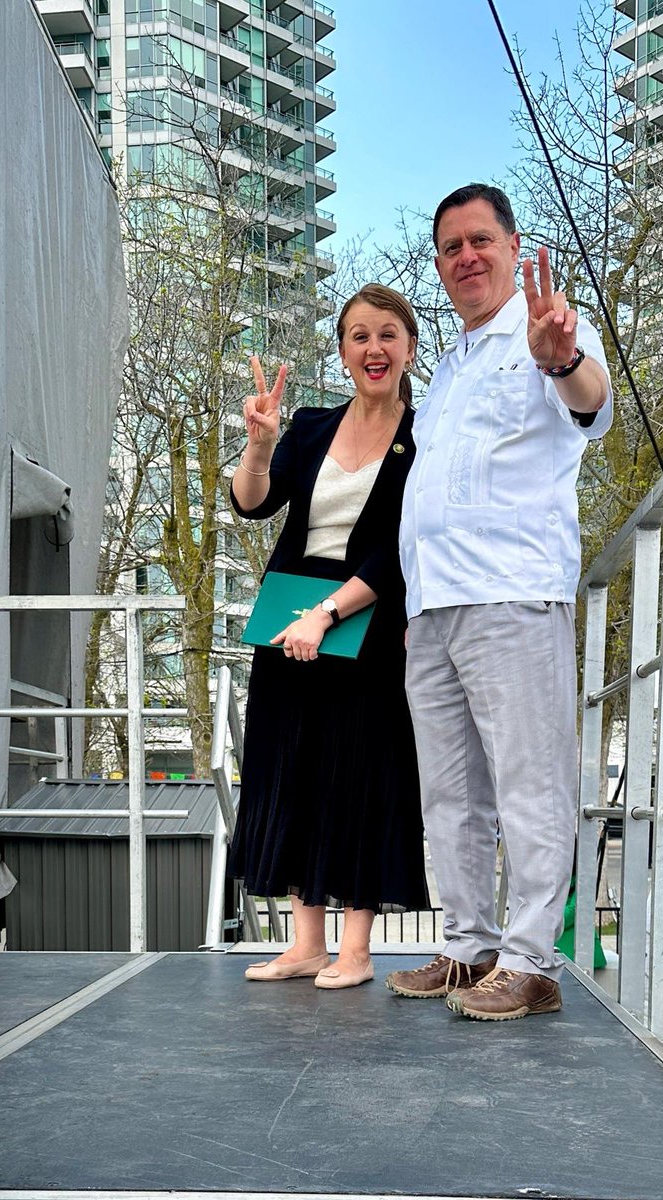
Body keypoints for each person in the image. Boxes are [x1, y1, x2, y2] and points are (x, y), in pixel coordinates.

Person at [385, 184, 613, 1020]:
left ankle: (530, 963)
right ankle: (468, 946)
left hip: (512, 595)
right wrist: (416, 607)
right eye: (451, 248)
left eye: (481, 240)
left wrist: (557, 355)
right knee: (449, 794)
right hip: (435, 611)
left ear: (515, 247)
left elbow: (592, 404)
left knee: (530, 785)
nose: (466, 258)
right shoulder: (447, 368)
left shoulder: (547, 330)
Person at [229, 283, 430, 990]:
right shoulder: (312, 425)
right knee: (292, 771)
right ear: (342, 350)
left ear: (408, 346)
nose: (373, 348)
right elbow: (255, 504)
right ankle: (305, 943)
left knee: (362, 778)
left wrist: (330, 614)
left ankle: (356, 951)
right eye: (358, 336)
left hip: (369, 622)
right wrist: (259, 447)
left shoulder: (425, 437)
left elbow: (403, 548)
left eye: (387, 334)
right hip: (287, 621)